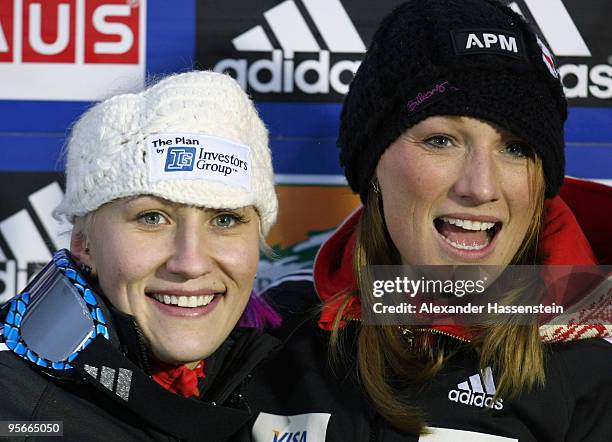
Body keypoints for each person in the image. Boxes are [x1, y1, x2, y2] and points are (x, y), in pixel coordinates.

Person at [246, 1, 612, 441]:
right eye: (442, 140)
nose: (480, 187)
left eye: (516, 148)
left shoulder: (594, 365)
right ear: (374, 165)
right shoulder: (276, 332)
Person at [0, 71, 282, 441]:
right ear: (83, 244)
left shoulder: (297, 380)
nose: (191, 262)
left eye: (225, 219)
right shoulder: (11, 395)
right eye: (153, 218)